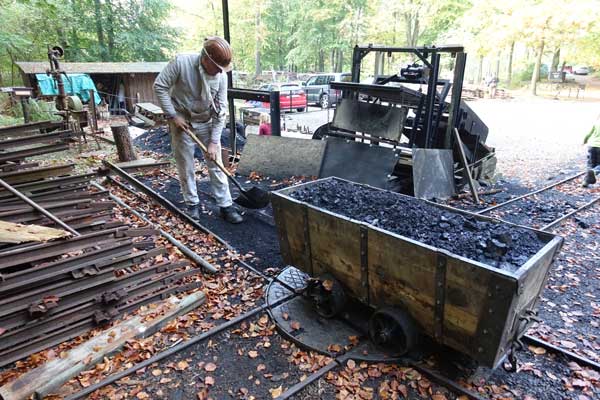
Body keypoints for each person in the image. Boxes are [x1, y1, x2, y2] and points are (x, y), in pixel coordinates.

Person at [153, 36, 243, 224]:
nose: (219, 72)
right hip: (181, 117)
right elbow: (159, 86)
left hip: (206, 119)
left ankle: (226, 205)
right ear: (205, 59)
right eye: (217, 67)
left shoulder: (221, 77)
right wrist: (172, 115)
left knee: (215, 161)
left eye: (222, 69)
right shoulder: (181, 63)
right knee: (185, 162)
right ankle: (192, 204)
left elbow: (221, 112)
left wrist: (214, 141)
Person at [582, 114, 600, 187]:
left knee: (590, 164)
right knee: (596, 167)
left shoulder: (596, 123)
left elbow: (588, 134)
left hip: (592, 146)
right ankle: (594, 171)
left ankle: (586, 182)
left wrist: (584, 141)